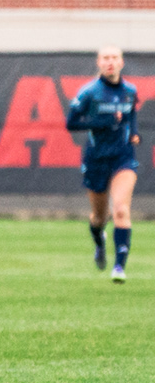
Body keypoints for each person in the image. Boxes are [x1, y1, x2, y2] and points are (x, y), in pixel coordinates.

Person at [66, 46, 138, 282]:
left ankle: (119, 267)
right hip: (97, 159)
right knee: (99, 217)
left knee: (120, 209)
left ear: (121, 62)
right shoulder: (90, 92)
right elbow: (71, 122)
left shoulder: (129, 90)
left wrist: (134, 133)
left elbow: (130, 116)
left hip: (122, 157)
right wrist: (96, 123)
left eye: (114, 58)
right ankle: (99, 241)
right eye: (106, 58)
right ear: (98, 62)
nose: (110, 62)